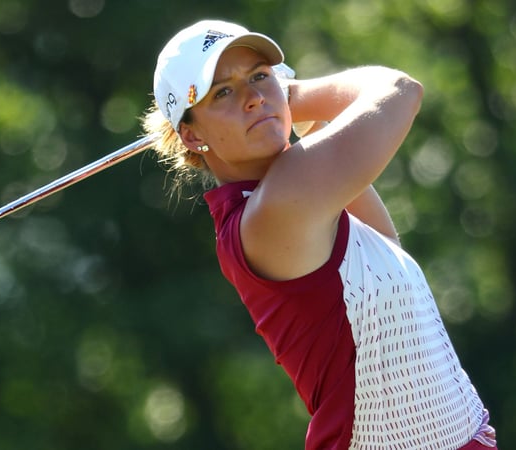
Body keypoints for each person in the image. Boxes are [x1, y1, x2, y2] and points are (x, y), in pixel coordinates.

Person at [142, 19, 498, 450]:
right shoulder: (274, 208)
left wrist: (290, 111)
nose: (254, 98)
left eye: (259, 76)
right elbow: (401, 91)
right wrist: (295, 95)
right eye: (223, 92)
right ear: (192, 134)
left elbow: (390, 253)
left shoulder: (301, 194)